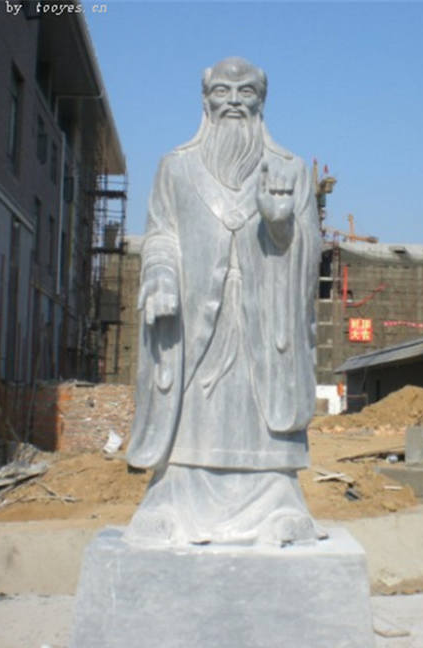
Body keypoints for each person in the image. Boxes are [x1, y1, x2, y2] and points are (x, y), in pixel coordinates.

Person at [124, 57, 325, 546]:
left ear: (262, 100)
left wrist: (281, 226)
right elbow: (160, 234)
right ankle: (172, 500)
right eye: (222, 91)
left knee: (260, 413)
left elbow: (309, 251)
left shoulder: (291, 170)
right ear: (205, 99)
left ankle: (278, 503)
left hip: (263, 319)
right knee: (192, 410)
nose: (234, 100)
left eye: (246, 91)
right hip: (196, 319)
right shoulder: (176, 167)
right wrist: (161, 277)